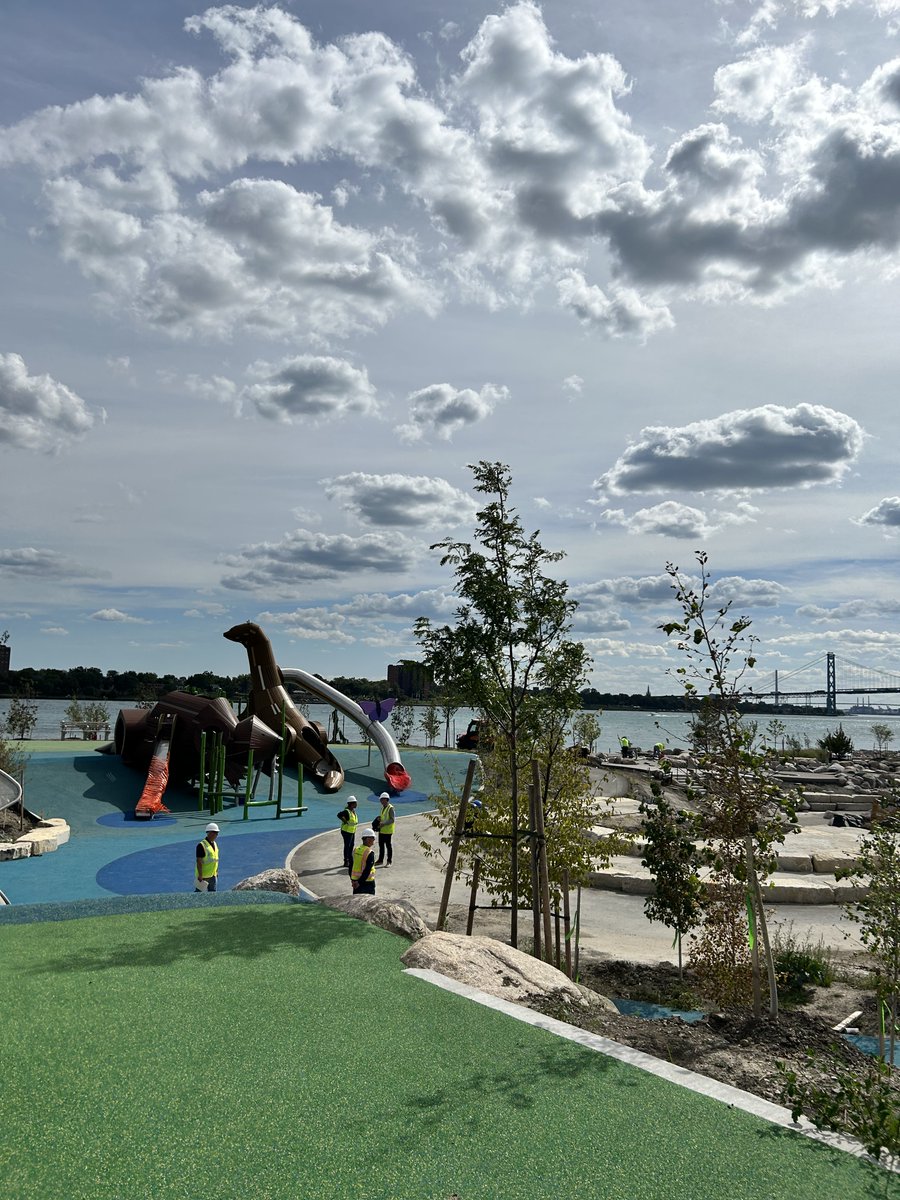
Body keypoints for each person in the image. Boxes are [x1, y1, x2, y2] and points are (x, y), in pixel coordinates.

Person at [195, 822, 220, 892]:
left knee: (212, 894)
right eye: (215, 833)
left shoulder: (214, 844)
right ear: (210, 833)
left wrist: (216, 872)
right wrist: (200, 875)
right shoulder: (201, 845)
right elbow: (199, 861)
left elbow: (215, 859)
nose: (217, 835)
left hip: (213, 875)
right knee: (199, 894)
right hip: (204, 876)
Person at [350, 829, 377, 895]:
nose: (374, 840)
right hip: (367, 882)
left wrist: (353, 881)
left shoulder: (356, 850)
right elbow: (367, 870)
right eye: (373, 838)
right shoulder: (369, 852)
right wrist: (359, 883)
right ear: (368, 839)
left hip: (355, 881)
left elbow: (351, 865)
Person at [375, 791, 395, 866]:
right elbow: (383, 817)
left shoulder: (390, 808)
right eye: (381, 800)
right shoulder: (382, 808)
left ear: (386, 799)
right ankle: (380, 860)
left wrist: (383, 823)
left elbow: (392, 819)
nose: (381, 801)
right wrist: (379, 819)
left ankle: (389, 861)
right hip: (382, 830)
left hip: (388, 831)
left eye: (382, 799)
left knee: (388, 846)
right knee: (381, 846)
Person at [339, 797, 359, 868]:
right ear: (351, 803)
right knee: (347, 846)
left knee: (351, 845)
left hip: (351, 831)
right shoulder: (347, 811)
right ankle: (346, 861)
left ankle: (350, 859)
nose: (357, 804)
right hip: (346, 831)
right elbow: (339, 815)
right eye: (355, 803)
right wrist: (345, 821)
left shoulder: (352, 811)